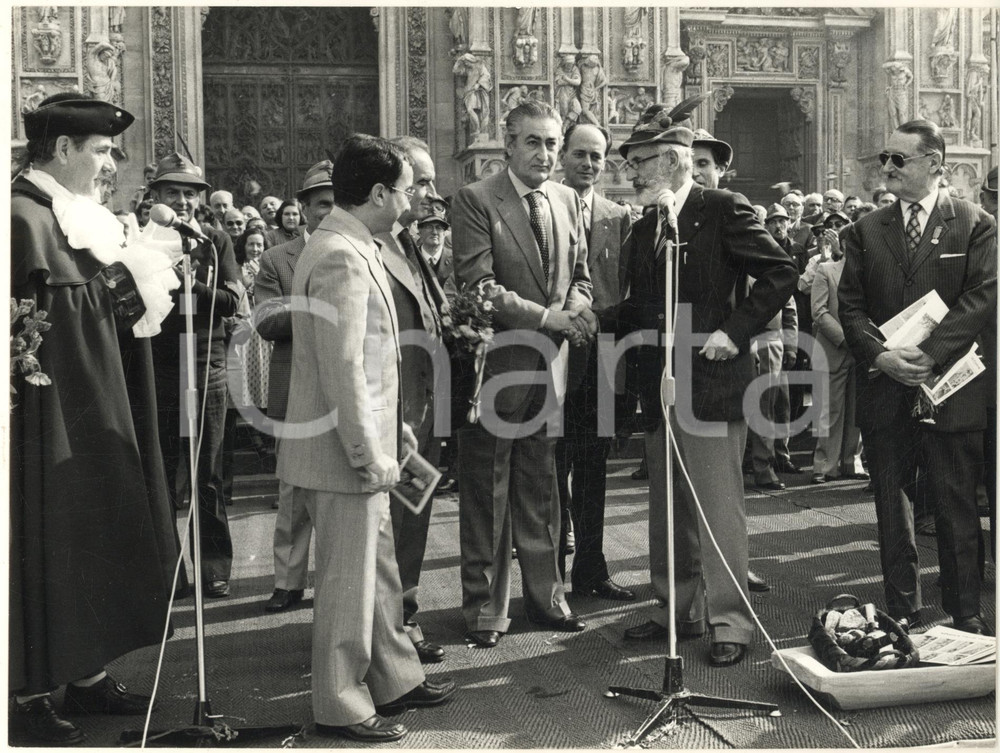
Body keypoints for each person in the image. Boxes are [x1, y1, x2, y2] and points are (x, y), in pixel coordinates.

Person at [10, 94, 180, 745]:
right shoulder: (21, 218)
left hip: (92, 403)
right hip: (46, 417)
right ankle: (25, 691)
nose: (112, 163)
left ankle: (86, 673)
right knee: (46, 536)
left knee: (89, 533)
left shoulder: (73, 215)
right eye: (102, 150)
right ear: (62, 149)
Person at [277, 134, 455, 742]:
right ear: (378, 193)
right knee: (348, 585)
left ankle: (394, 677)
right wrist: (366, 452)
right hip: (342, 454)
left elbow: (369, 360)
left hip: (363, 439)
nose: (413, 201)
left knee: (377, 573)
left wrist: (390, 429)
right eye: (406, 190)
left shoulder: (355, 244)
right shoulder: (341, 255)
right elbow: (343, 365)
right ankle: (342, 703)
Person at [607, 105, 797, 667]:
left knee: (716, 509)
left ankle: (729, 620)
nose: (632, 173)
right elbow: (643, 306)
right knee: (668, 509)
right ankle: (677, 610)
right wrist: (588, 319)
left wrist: (734, 332)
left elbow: (780, 272)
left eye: (640, 162)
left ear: (672, 160)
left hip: (712, 384)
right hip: (660, 385)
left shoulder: (721, 208)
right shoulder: (647, 225)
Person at [839, 119, 997, 636]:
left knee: (955, 503)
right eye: (884, 158)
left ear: (934, 164)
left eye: (898, 159)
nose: (886, 167)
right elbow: (851, 307)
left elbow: (981, 297)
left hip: (950, 387)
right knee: (893, 505)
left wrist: (928, 355)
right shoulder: (865, 230)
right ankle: (903, 608)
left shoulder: (974, 223)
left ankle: (965, 612)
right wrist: (881, 356)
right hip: (886, 386)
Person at [451, 100, 595, 648]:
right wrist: (548, 318)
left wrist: (576, 308)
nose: (545, 153)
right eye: (533, 142)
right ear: (508, 144)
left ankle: (547, 599)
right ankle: (485, 611)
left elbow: (580, 276)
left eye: (552, 143)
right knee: (487, 492)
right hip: (497, 368)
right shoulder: (476, 199)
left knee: (541, 490)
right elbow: (479, 287)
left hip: (550, 367)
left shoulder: (566, 199)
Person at [148, 151, 241, 599]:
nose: (182, 202)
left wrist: (193, 286)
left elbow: (232, 302)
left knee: (207, 474)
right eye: (173, 192)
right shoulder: (143, 240)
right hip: (161, 367)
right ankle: (170, 572)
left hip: (207, 366)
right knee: (164, 472)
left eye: (189, 194)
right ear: (156, 196)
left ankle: (213, 568)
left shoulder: (215, 241)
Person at [376, 135, 450, 664]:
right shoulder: (374, 246)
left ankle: (404, 613)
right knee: (391, 523)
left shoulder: (409, 243)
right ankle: (388, 631)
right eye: (420, 182)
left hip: (422, 407)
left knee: (412, 516)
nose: (430, 192)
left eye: (431, 181)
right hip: (395, 413)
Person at [555, 119, 636, 602]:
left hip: (602, 363)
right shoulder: (543, 207)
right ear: (563, 156)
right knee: (549, 469)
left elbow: (627, 292)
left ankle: (590, 568)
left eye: (596, 156)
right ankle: (549, 579)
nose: (588, 164)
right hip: (550, 359)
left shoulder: (618, 216)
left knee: (592, 469)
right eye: (579, 154)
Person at [254, 161, 334, 612]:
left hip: (348, 388)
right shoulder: (275, 259)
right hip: (296, 389)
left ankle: (338, 583)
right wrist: (322, 307)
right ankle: (288, 580)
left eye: (338, 203)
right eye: (322, 204)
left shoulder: (367, 250)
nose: (330, 212)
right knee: (293, 493)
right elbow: (266, 321)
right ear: (303, 208)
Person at [749, 204, 800, 491]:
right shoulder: (740, 262)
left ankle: (768, 464)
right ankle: (757, 463)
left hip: (771, 340)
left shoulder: (775, 263)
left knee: (770, 405)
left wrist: (790, 346)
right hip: (743, 340)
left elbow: (789, 308)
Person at [809, 227, 865, 485]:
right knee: (829, 410)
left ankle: (851, 462)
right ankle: (824, 465)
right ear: (842, 244)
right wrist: (846, 339)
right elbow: (819, 312)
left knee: (857, 412)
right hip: (834, 349)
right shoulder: (826, 270)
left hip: (861, 350)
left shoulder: (867, 272)